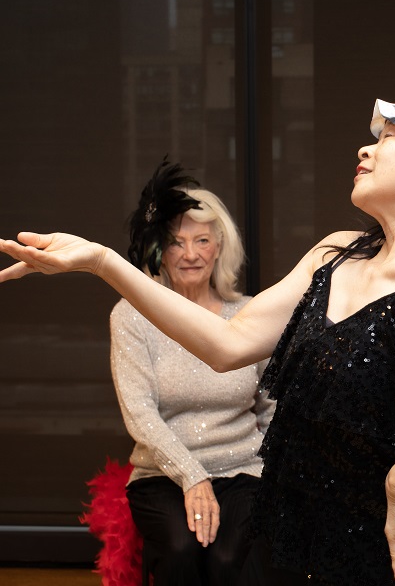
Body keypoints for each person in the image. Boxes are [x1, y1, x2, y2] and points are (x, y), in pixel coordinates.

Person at [0, 92, 395, 586]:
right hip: (295, 532)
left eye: (392, 136)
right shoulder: (337, 253)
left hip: (386, 549)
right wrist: (101, 261)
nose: (367, 146)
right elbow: (227, 344)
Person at [107, 159, 275, 586]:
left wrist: (280, 472)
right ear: (158, 249)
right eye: (176, 242)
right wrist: (192, 475)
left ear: (219, 246)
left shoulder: (250, 314)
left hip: (244, 471)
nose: (190, 253)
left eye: (202, 239)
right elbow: (139, 413)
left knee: (227, 560)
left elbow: (272, 405)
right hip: (162, 475)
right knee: (182, 551)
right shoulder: (132, 316)